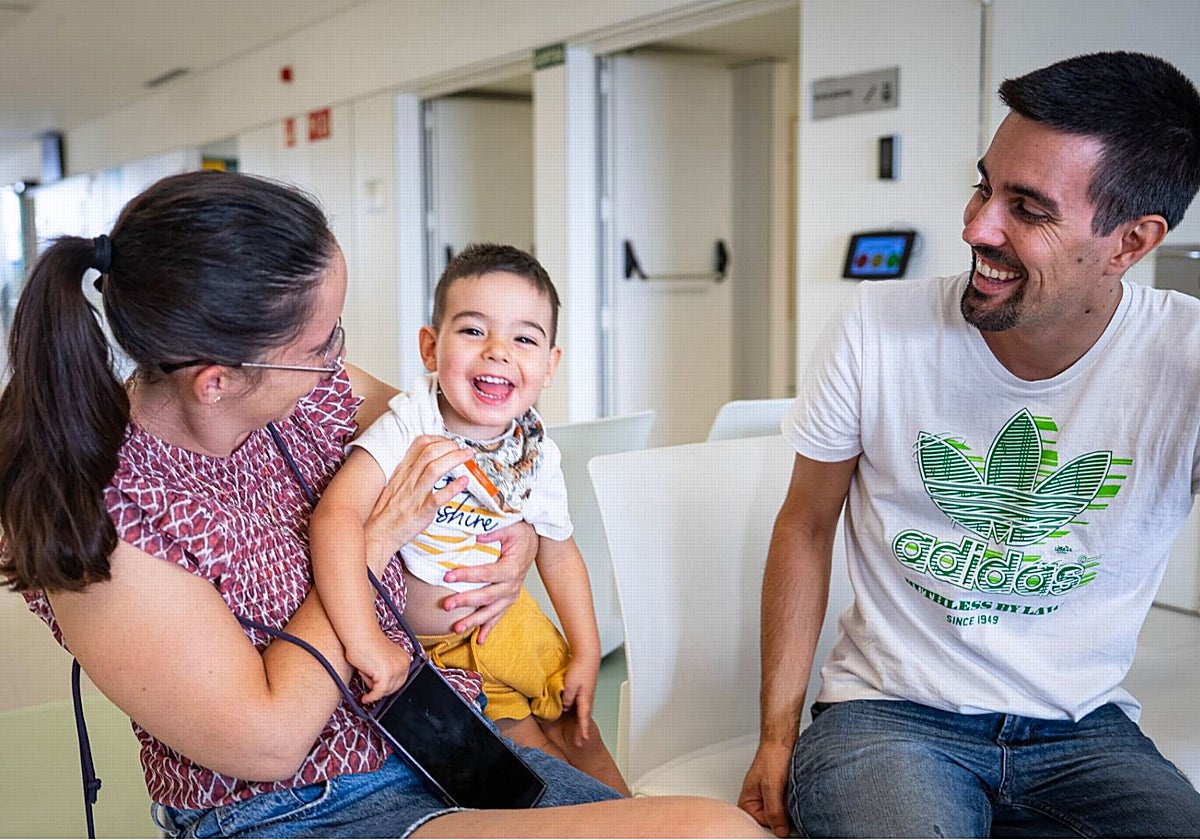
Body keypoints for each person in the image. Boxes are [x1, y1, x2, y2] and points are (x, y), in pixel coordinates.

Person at [0, 170, 761, 838]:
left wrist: (521, 532)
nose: (341, 361)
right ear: (217, 380)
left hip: (446, 740)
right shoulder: (105, 516)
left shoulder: (308, 391)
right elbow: (267, 741)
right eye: (324, 342)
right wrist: (367, 543)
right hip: (299, 807)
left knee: (713, 828)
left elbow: (467, 446)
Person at [738, 50, 1200, 838]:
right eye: (986, 184)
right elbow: (806, 524)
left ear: (1130, 243)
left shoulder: (1184, 357)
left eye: (1029, 208)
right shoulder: (876, 328)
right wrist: (777, 737)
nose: (975, 225)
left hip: (1087, 732)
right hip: (888, 722)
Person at [310, 242, 628, 793]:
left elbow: (559, 550)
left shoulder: (534, 452)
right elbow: (336, 516)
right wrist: (363, 640)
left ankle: (638, 821)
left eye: (524, 338)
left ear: (550, 365)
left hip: (517, 630)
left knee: (580, 737)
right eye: (474, 331)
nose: (499, 352)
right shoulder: (410, 424)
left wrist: (587, 647)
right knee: (530, 772)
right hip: (444, 658)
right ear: (430, 348)